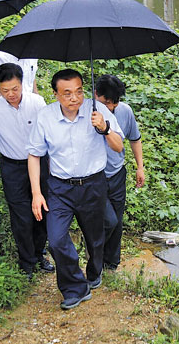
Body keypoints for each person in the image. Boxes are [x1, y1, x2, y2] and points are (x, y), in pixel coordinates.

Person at [27, 69, 124, 310]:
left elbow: (118, 146)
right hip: (60, 188)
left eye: (79, 91)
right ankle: (75, 288)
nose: (74, 98)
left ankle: (94, 272)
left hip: (93, 185)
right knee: (57, 239)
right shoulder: (45, 116)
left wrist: (105, 129)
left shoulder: (97, 110)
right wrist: (37, 193)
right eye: (67, 93)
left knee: (96, 238)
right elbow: (34, 155)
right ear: (56, 94)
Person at [0, 63, 54, 278]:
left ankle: (38, 254)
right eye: (5, 91)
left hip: (41, 163)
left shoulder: (37, 102)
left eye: (15, 89)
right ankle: (26, 263)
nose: (11, 95)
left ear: (22, 83)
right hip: (13, 167)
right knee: (21, 216)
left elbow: (50, 132)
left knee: (43, 211)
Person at [95, 75, 145, 270]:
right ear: (96, 95)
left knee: (117, 220)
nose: (111, 108)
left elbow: (135, 139)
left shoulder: (124, 111)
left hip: (116, 173)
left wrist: (140, 167)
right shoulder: (86, 113)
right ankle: (95, 257)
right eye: (107, 103)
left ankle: (111, 263)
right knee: (107, 220)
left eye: (114, 104)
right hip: (94, 176)